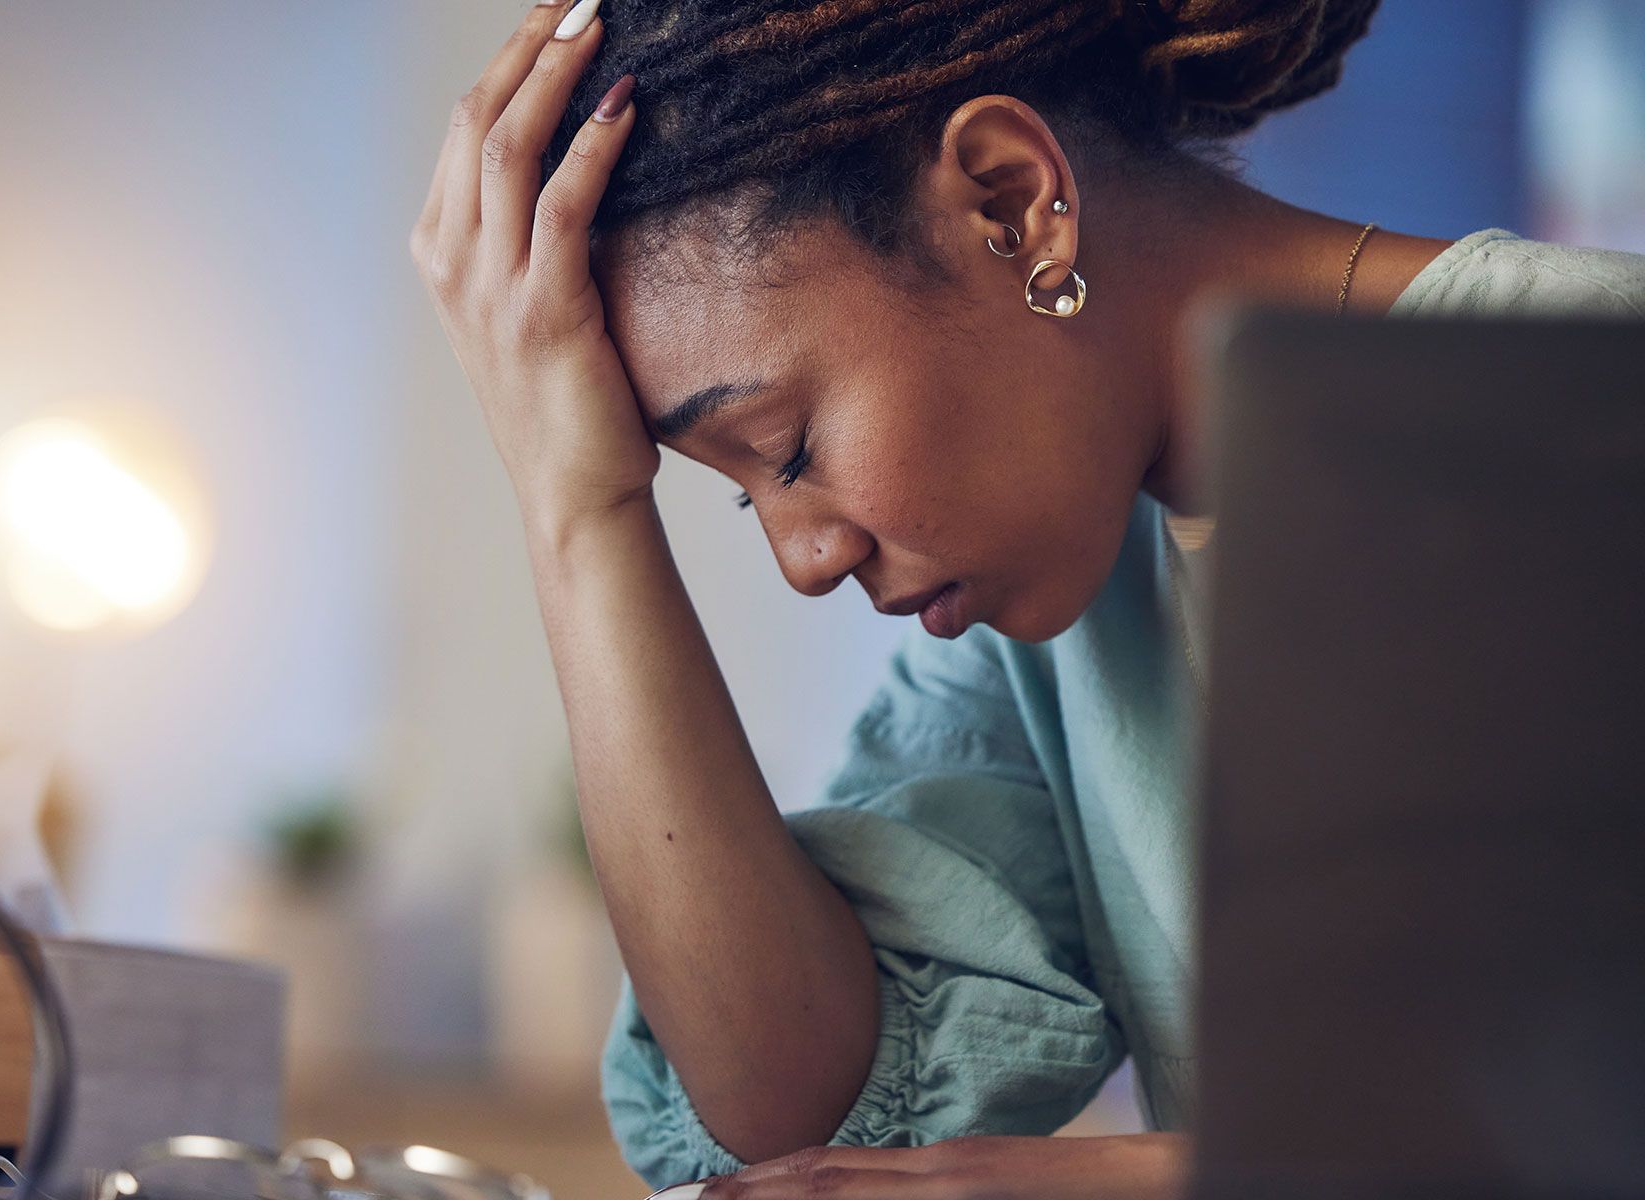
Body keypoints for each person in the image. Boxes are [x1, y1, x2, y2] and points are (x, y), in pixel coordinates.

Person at [408, 0, 1645, 1195]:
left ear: (1011, 200)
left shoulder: (1600, 404)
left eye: (785, 449)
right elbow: (792, 1103)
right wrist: (579, 511)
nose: (804, 558)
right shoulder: (1048, 620)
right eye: (741, 495)